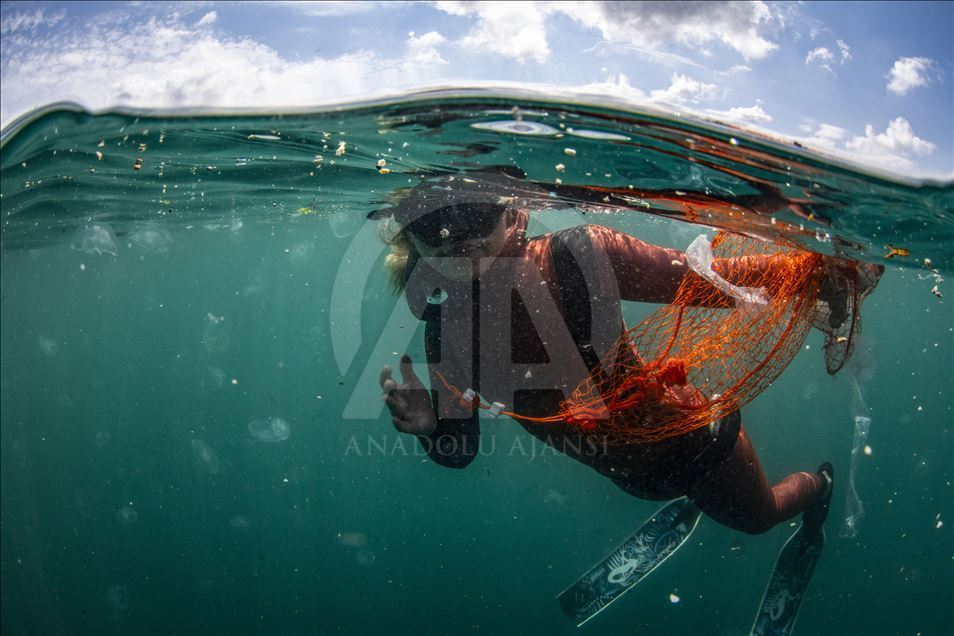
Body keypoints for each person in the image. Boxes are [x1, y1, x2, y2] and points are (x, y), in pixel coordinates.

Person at [370, 171, 880, 535]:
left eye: (481, 248)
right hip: (630, 478)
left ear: (516, 215)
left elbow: (710, 281)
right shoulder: (446, 328)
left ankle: (819, 486)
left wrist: (821, 272)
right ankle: (699, 503)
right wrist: (432, 427)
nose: (474, 270)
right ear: (421, 251)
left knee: (760, 518)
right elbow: (460, 452)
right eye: (450, 257)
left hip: (693, 445)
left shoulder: (577, 256)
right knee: (731, 510)